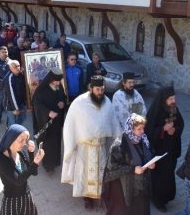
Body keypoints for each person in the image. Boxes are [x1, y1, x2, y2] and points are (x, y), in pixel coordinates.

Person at [61, 75, 123, 209]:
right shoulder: (79, 103)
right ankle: (87, 198)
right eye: (98, 89)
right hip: (85, 147)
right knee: (85, 172)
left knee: (101, 171)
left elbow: (113, 122)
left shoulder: (107, 102)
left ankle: (100, 194)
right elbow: (71, 124)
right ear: (90, 88)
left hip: (101, 146)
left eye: (102, 89)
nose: (100, 92)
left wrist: (119, 139)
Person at [102, 114, 155, 215]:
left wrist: (151, 163)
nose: (143, 131)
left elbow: (150, 152)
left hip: (142, 187)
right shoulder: (119, 145)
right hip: (125, 189)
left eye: (143, 128)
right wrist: (133, 169)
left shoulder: (143, 139)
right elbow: (112, 167)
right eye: (139, 129)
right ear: (131, 129)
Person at [145, 86, 185, 212]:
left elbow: (181, 123)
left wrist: (175, 130)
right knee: (158, 176)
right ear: (164, 100)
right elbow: (148, 131)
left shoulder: (174, 110)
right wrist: (163, 129)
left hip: (171, 150)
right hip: (158, 151)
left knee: (168, 174)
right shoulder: (155, 112)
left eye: (174, 98)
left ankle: (166, 197)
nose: (173, 101)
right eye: (171, 99)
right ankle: (157, 201)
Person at [0, 124, 44, 215]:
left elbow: (34, 173)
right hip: (12, 201)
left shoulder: (20, 153)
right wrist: (35, 163)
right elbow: (18, 180)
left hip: (26, 196)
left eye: (26, 140)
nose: (24, 144)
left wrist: (31, 153)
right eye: (21, 140)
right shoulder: (2, 159)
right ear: (11, 139)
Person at [32, 68, 67, 174]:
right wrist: (48, 112)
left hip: (56, 122)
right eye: (56, 81)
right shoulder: (42, 90)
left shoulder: (59, 86)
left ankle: (56, 161)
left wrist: (62, 103)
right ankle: (48, 166)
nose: (58, 83)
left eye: (59, 81)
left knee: (56, 142)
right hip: (45, 122)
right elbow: (37, 106)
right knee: (47, 143)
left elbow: (64, 97)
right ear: (51, 80)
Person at [3, 60, 27, 127]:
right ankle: (11, 134)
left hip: (21, 102)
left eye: (18, 66)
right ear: (10, 68)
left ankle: (14, 130)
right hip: (11, 105)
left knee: (23, 118)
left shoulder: (21, 75)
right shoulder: (9, 78)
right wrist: (15, 108)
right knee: (12, 122)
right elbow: (11, 94)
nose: (17, 68)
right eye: (15, 67)